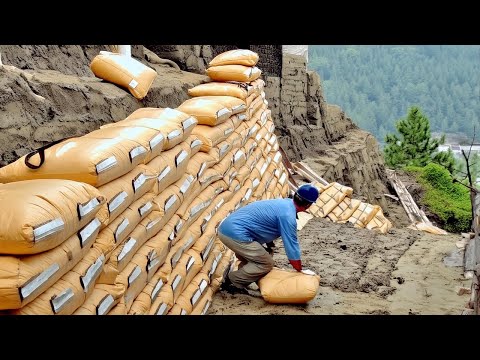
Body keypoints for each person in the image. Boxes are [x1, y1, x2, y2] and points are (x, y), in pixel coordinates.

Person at [217, 183, 320, 295]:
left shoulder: (285, 203)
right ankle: (233, 281)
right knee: (266, 263)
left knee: (259, 256)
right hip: (236, 234)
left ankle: (243, 278)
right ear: (308, 205)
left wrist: (268, 244)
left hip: (227, 228)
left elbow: (264, 222)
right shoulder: (288, 216)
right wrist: (299, 269)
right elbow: (291, 245)